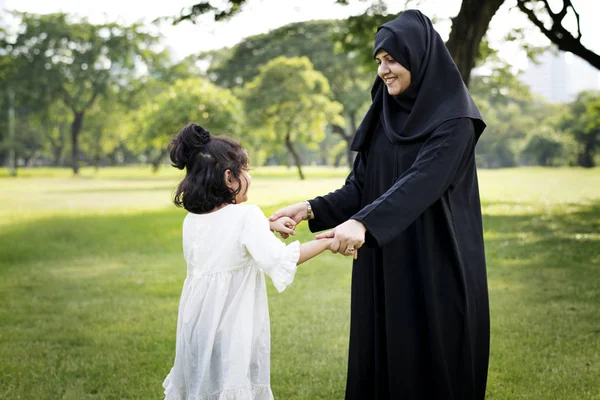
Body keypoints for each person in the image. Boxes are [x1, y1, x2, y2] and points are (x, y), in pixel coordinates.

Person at [270, 10, 490, 400]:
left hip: (436, 263)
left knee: (433, 367)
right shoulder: (384, 113)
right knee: (383, 365)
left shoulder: (456, 121)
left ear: (419, 57)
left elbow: (422, 183)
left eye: (392, 59)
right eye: (379, 61)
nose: (384, 70)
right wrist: (309, 208)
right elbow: (361, 186)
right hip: (384, 261)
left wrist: (364, 225)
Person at [162, 123, 333, 400]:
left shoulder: (191, 220)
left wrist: (264, 226)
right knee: (233, 385)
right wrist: (327, 241)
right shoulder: (246, 216)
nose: (249, 178)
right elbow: (280, 260)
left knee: (203, 387)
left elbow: (225, 241)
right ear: (229, 178)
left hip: (196, 325)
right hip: (233, 325)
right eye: (246, 171)